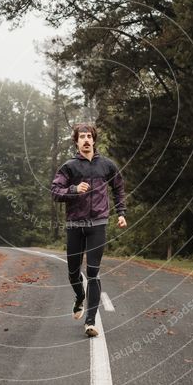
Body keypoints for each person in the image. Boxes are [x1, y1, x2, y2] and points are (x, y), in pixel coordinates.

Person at [51, 123, 127, 337]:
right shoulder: (69, 167)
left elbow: (119, 188)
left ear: (94, 140)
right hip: (75, 225)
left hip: (98, 224)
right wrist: (74, 189)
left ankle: (90, 322)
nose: (86, 140)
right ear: (76, 141)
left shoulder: (107, 165)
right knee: (73, 272)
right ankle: (79, 296)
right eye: (81, 136)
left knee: (93, 272)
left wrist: (121, 213)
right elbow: (55, 191)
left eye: (89, 136)